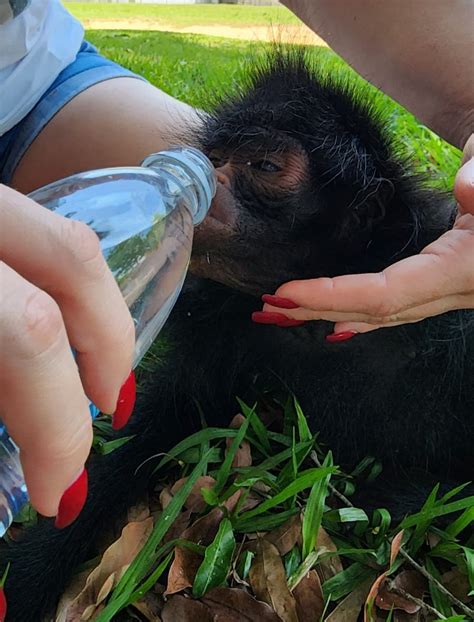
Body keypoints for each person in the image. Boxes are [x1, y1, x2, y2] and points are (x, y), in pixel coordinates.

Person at [0, 0, 472, 527]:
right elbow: (155, 434)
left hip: (32, 83)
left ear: (362, 211)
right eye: (215, 159)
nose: (214, 179)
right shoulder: (220, 307)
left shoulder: (438, 293)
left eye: (265, 167)